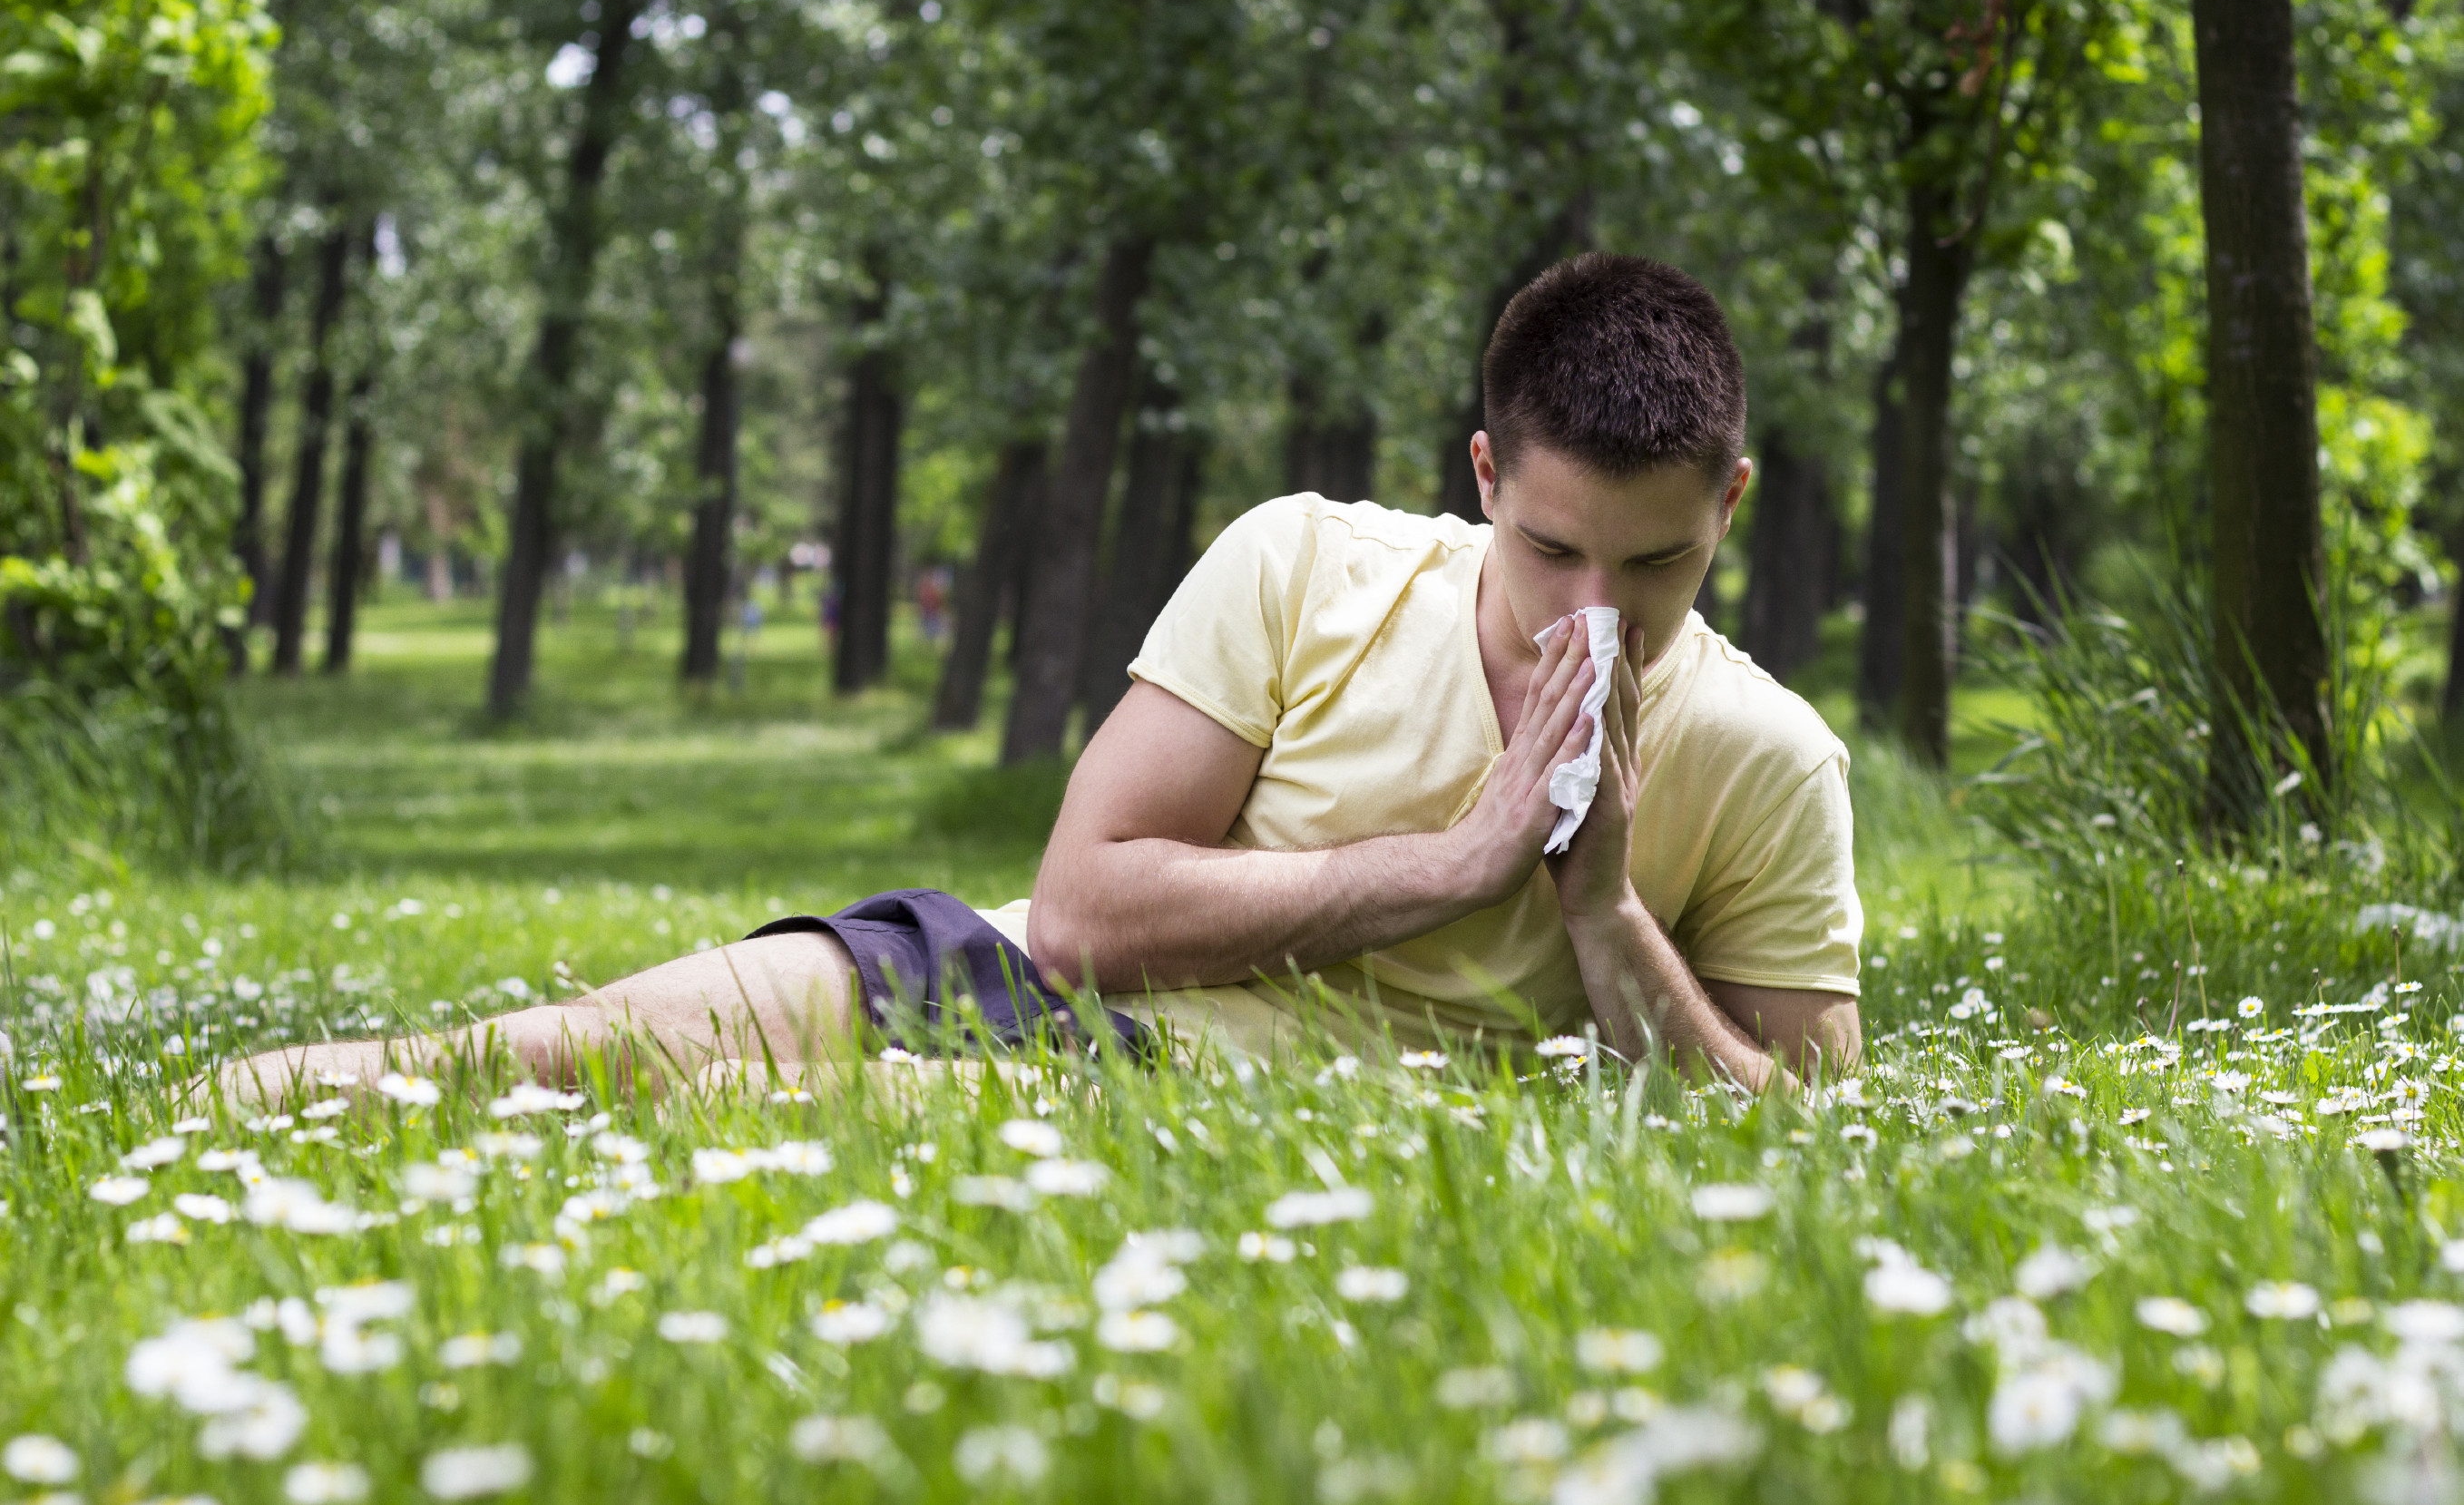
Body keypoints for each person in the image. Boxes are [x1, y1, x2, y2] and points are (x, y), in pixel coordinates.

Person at [224, 254, 1860, 1106]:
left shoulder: (1772, 761)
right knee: (541, 1057)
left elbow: (1799, 1125)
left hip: (1185, 1097)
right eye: (1556, 550)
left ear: (1729, 506)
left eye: (1655, 568)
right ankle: (195, 1103)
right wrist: (1455, 862)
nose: (1598, 612)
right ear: (1489, 471)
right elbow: (1079, 909)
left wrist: (1603, 915)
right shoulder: (1309, 560)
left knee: (701, 1117)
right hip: (1008, 966)